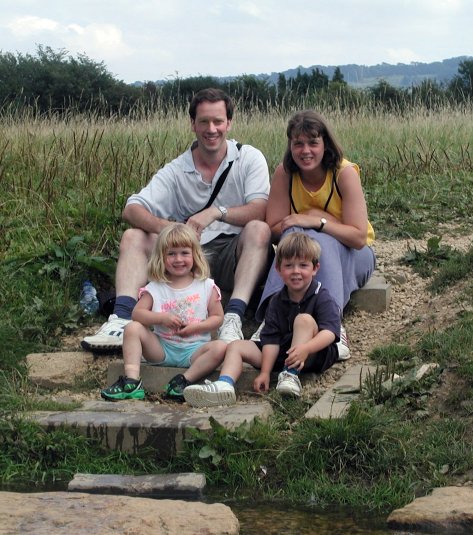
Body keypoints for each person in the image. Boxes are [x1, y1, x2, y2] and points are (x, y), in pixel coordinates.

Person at [82, 88, 271, 351]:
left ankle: (233, 317)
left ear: (229, 123)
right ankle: (121, 319)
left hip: (233, 252)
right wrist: (171, 228)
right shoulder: (177, 168)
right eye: (204, 121)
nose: (212, 129)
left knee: (259, 230)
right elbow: (132, 209)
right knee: (133, 236)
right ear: (193, 124)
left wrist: (217, 212)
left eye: (218, 121)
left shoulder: (248, 158)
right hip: (188, 256)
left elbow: (260, 209)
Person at [253, 110, 376, 359]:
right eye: (298, 143)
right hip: (305, 255)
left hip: (355, 255)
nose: (305, 150)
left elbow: (358, 237)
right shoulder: (285, 174)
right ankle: (270, 319)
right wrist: (304, 225)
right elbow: (275, 228)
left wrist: (316, 220)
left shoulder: (344, 173)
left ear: (325, 144)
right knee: (298, 234)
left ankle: (333, 324)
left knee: (317, 237)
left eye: (313, 142)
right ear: (290, 146)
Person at [183, 232, 340, 407]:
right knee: (236, 345)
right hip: (281, 353)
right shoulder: (276, 300)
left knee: (303, 320)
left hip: (313, 354)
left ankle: (290, 375)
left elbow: (330, 333)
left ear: (315, 268)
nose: (296, 271)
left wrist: (306, 348)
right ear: (279, 269)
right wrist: (265, 372)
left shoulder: (322, 296)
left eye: (303, 265)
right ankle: (225, 384)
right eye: (289, 265)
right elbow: (271, 340)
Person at [100, 223, 227, 401]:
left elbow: (218, 318)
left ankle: (184, 381)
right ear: (162, 257)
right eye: (171, 254)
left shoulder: (206, 285)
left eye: (184, 253)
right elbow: (137, 314)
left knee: (221, 347)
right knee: (132, 328)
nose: (178, 259)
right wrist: (161, 318)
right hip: (162, 347)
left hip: (195, 349)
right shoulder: (156, 287)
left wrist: (196, 327)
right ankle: (131, 381)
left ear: (194, 255)